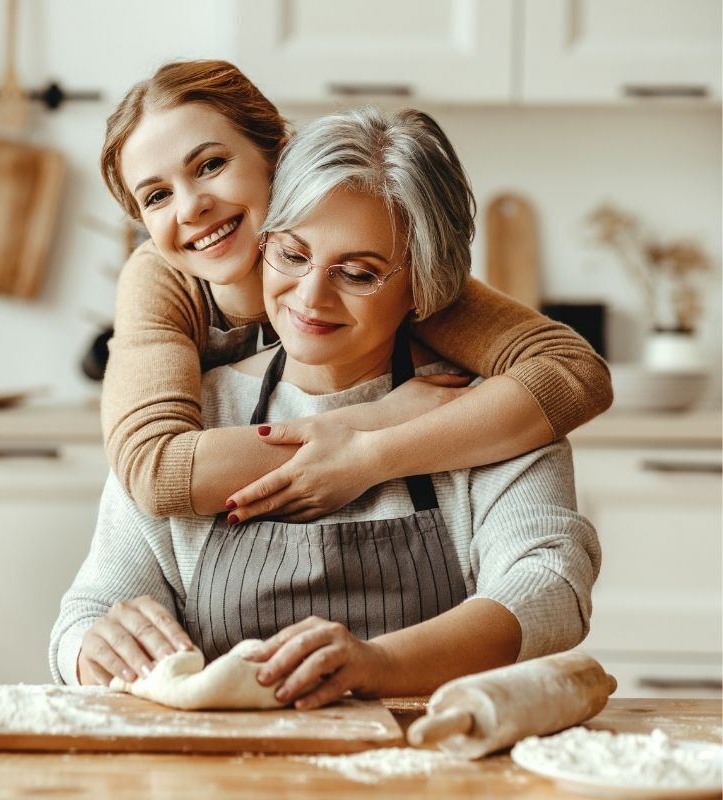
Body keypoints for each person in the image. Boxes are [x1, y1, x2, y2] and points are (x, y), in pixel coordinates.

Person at [52, 107, 601, 710]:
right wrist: (92, 647)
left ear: (424, 284)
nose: (311, 297)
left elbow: (551, 587)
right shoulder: (195, 413)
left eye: (359, 272)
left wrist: (379, 663)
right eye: (290, 254)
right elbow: (87, 612)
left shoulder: (485, 413)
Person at [97, 60, 613, 522]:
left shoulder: (368, 272)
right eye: (157, 196)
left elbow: (572, 372)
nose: (190, 208)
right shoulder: (160, 280)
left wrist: (375, 457)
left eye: (210, 165)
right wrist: (377, 418)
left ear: (279, 153)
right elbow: (156, 470)